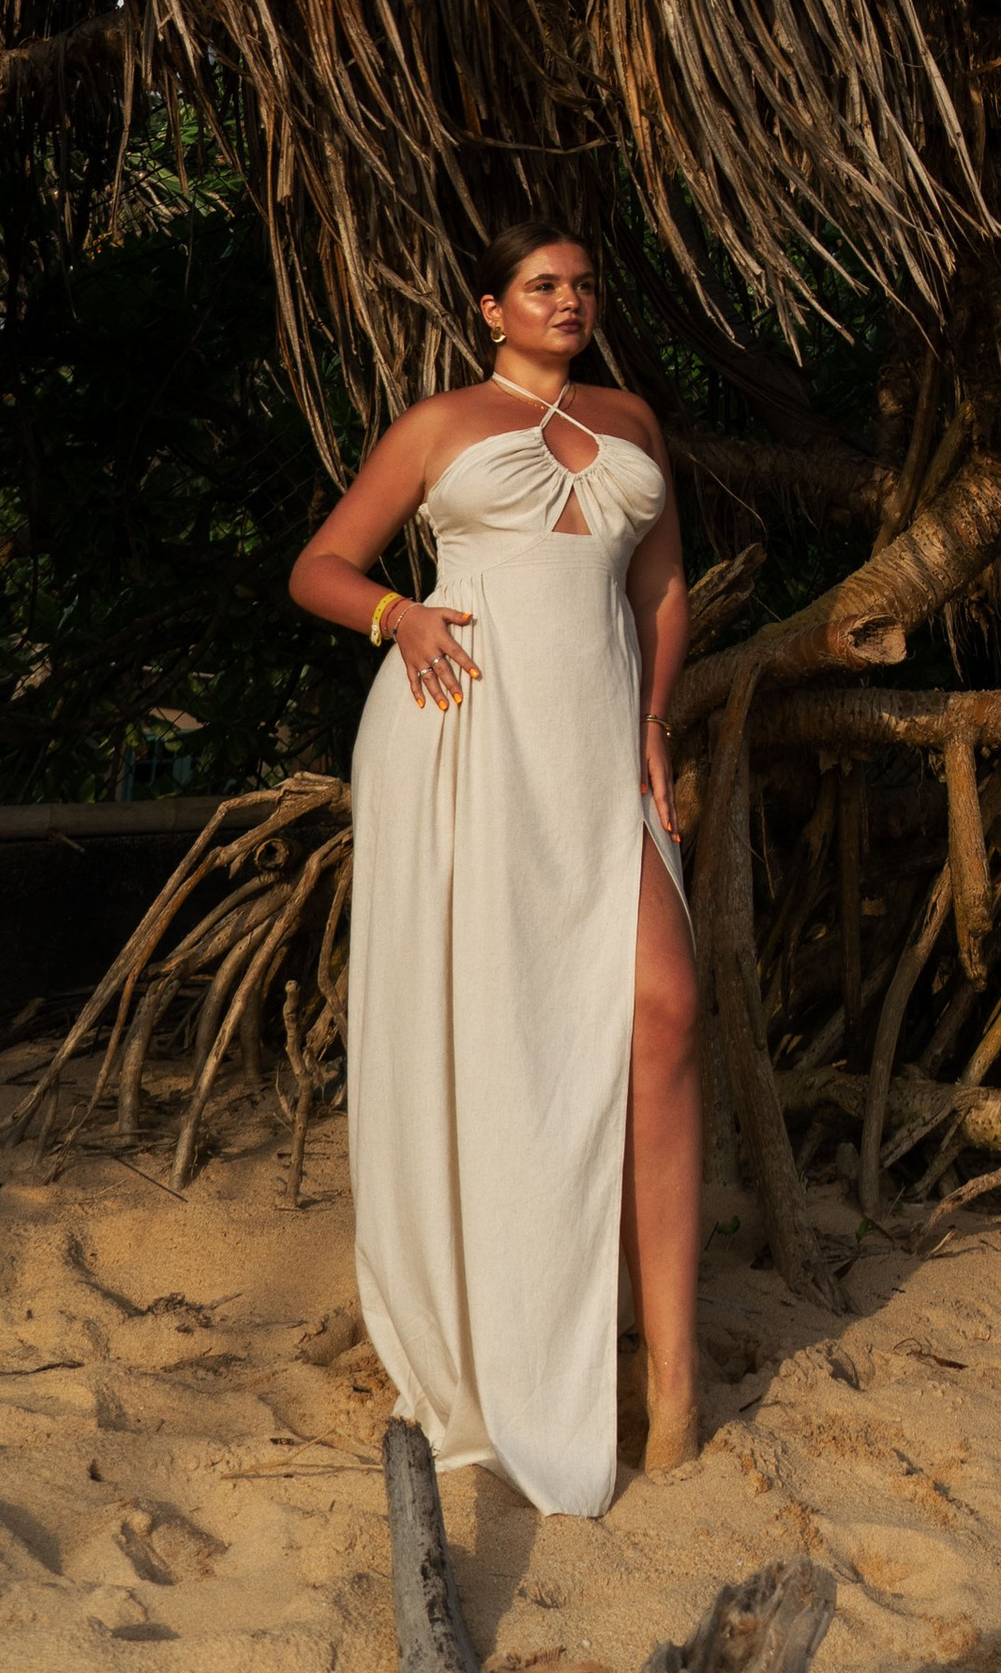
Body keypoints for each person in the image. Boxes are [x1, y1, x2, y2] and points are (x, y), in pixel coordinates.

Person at [288, 221, 702, 1512]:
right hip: (462, 751)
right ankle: (511, 1342)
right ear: (491, 307)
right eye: (542, 286)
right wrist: (394, 615)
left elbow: (664, 586)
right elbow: (317, 566)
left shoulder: (632, 419)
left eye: (583, 283)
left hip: (598, 760)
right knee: (499, 1039)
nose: (568, 301)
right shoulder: (438, 426)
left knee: (667, 1013)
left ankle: (677, 1385)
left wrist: (650, 724)